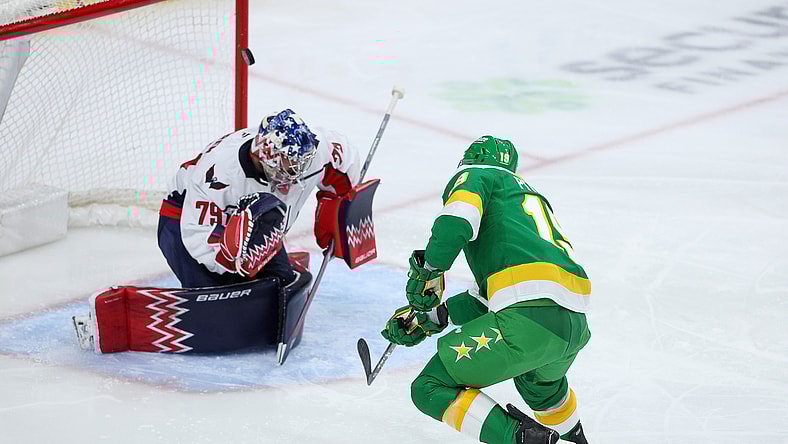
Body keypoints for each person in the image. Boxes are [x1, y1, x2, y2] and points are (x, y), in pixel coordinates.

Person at [381, 136, 592, 444]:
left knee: (429, 387)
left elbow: (456, 222)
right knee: (540, 386)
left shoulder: (480, 175)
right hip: (572, 326)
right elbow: (496, 295)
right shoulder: (525, 202)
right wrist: (433, 318)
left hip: (528, 319)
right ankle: (575, 438)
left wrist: (429, 270)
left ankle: (523, 440)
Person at [157, 109, 360, 288]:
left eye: (300, 162)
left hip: (253, 219)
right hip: (184, 217)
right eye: (290, 163)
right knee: (213, 297)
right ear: (267, 156)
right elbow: (199, 237)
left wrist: (339, 207)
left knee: (280, 285)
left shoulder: (305, 149)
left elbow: (344, 156)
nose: (298, 171)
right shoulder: (218, 177)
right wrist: (233, 260)